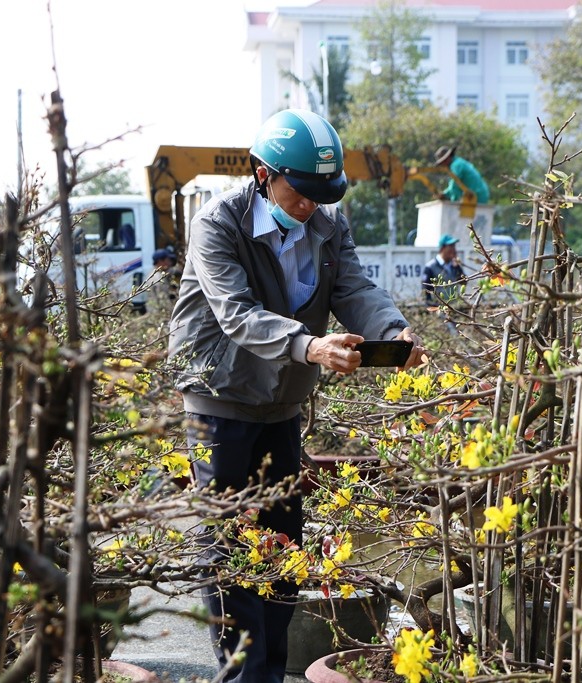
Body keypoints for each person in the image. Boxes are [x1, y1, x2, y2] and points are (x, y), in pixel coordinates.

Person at [167, 108, 424, 682]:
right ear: (263, 175)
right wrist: (310, 347)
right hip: (220, 399)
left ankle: (269, 674)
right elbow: (235, 313)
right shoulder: (218, 224)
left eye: (320, 194)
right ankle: (244, 677)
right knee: (231, 546)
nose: (310, 205)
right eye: (300, 192)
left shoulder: (329, 224)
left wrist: (393, 333)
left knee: (283, 548)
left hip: (281, 402)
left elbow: (354, 287)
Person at [422, 234, 466, 307]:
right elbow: (425, 291)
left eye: (454, 246)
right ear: (442, 248)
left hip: (454, 308)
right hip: (438, 308)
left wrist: (457, 267)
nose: (454, 250)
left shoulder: (454, 265)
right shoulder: (430, 267)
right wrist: (432, 308)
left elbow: (464, 282)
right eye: (451, 247)